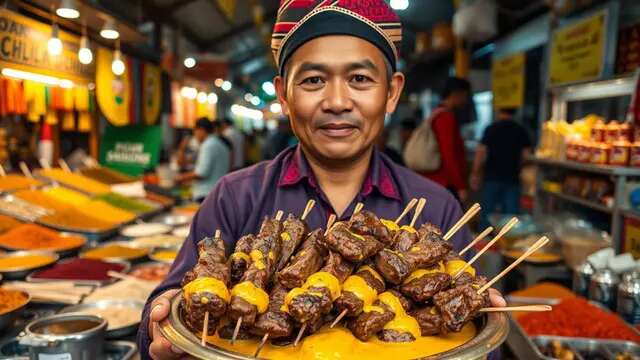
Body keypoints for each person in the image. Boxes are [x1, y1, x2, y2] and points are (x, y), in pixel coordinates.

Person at [138, 2, 505, 358]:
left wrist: (480, 317)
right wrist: (162, 325)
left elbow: (472, 326)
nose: (337, 101)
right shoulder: (236, 197)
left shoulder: (436, 206)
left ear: (391, 92)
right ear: (284, 95)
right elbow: (168, 310)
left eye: (359, 79)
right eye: (314, 80)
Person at [471, 108, 532, 229]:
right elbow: (526, 155)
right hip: (512, 178)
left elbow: (480, 152)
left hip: (491, 177)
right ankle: (507, 244)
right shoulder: (520, 130)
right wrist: (519, 167)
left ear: (499, 111)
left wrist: (475, 173)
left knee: (487, 215)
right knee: (511, 219)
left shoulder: (491, 128)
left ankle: (485, 243)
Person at [421, 77, 471, 202]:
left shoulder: (437, 113)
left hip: (438, 181)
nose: (465, 101)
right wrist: (460, 186)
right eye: (465, 96)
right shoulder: (446, 118)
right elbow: (448, 154)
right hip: (444, 183)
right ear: (456, 94)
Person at [174, 118, 230, 202]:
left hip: (206, 194)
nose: (195, 135)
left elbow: (202, 173)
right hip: (217, 192)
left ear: (201, 130)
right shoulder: (219, 143)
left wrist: (181, 178)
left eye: (195, 131)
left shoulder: (208, 145)